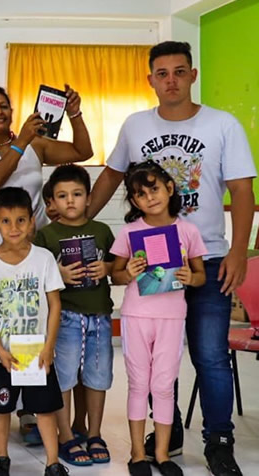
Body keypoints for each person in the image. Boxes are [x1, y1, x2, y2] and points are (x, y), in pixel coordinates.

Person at [88, 42, 255, 475]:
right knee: (161, 353)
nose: (171, 80)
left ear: (192, 75)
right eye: (162, 73)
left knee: (210, 354)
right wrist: (81, 219)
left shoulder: (223, 124)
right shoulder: (136, 124)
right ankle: (169, 433)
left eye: (180, 72)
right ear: (151, 80)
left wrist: (239, 251)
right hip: (154, 266)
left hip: (211, 258)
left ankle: (218, 441)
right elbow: (111, 173)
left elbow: (240, 190)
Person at [109, 162, 206, 476]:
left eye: (154, 188)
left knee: (163, 386)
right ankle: (138, 454)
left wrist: (190, 277)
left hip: (172, 318)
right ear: (134, 202)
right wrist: (128, 273)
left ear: (170, 188)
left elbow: (201, 276)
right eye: (140, 194)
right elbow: (116, 275)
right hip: (137, 315)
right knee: (138, 385)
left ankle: (162, 454)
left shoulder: (188, 231)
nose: (149, 197)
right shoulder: (130, 232)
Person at [0, 187, 68, 476]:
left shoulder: (43, 258)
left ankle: (53, 462)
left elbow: (55, 304)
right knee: (1, 409)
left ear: (31, 222)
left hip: (36, 351)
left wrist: (48, 346)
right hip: (2, 354)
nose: (13, 228)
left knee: (43, 408)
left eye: (20, 220)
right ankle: (1, 458)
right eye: (5, 221)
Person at [33, 165, 115, 467]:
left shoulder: (102, 231)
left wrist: (106, 268)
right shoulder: (46, 235)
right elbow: (37, 279)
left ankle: (94, 433)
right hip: (65, 317)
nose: (70, 201)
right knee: (64, 378)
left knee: (98, 377)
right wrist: (58, 274)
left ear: (88, 197)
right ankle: (66, 436)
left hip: (100, 315)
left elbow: (119, 271)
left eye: (77, 194)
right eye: (62, 196)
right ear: (51, 202)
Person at [0, 85, 92, 253]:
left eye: (4, 106)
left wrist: (74, 114)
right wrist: (22, 141)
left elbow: (82, 151)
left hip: (35, 238)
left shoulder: (35, 144)